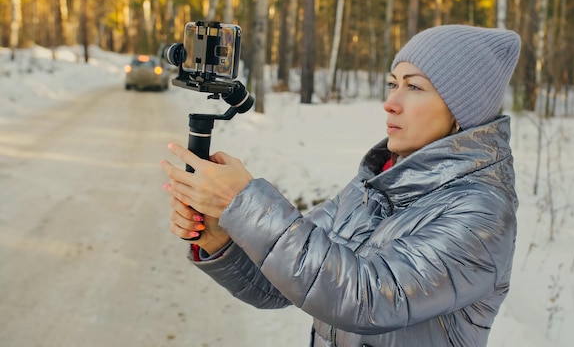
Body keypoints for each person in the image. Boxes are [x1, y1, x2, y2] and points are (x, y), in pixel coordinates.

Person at [160, 24, 521, 347]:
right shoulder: (375, 183)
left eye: (414, 86)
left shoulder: (482, 212)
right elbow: (285, 282)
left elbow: (367, 299)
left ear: (462, 112)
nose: (390, 103)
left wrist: (244, 201)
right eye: (393, 84)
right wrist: (219, 238)